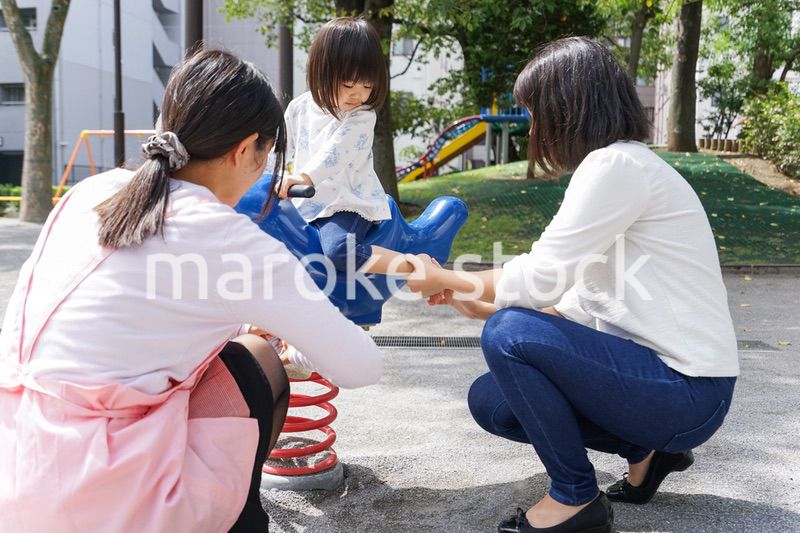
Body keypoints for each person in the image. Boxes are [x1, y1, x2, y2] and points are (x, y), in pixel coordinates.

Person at [0, 49, 382, 532]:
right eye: (267, 157)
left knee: (239, 350)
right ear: (246, 151)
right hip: (105, 498)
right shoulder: (228, 236)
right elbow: (361, 366)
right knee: (254, 362)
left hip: (16, 469)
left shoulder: (89, 193)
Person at [406, 37, 738, 533]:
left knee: (510, 333)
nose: (534, 130)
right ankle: (645, 452)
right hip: (665, 388)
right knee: (492, 400)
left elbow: (538, 280)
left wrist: (450, 276)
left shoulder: (616, 166)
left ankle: (575, 496)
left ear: (569, 108)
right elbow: (567, 304)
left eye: (537, 114)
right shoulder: (621, 168)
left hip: (687, 389)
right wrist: (473, 297)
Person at [274, 17, 414, 278]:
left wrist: (303, 177)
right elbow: (279, 148)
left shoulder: (361, 116)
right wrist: (267, 178)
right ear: (322, 72)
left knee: (339, 250)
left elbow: (337, 152)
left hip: (345, 203)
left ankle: (410, 266)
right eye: (348, 85)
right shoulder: (299, 108)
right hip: (305, 203)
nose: (358, 95)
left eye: (367, 85)